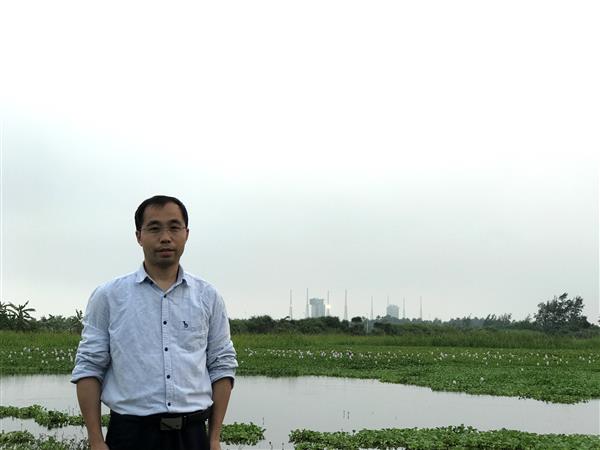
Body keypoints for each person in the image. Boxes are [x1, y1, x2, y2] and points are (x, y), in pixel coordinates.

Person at [71, 195, 238, 450]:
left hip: (192, 437)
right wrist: (96, 440)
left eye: (174, 227)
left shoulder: (208, 296)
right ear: (139, 236)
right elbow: (89, 366)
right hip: (130, 436)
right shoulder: (108, 296)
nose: (165, 237)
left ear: (186, 234)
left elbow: (221, 364)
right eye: (154, 228)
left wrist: (214, 439)